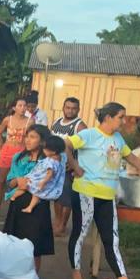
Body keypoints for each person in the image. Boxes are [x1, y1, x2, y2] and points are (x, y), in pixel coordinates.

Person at [66, 102, 140, 279]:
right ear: (108, 118)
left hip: (107, 196)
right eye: (121, 117)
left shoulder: (118, 138)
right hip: (86, 192)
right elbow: (66, 145)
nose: (124, 121)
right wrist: (75, 166)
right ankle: (76, 275)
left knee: (111, 240)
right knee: (80, 233)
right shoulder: (89, 135)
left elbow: (132, 159)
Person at [2, 125, 55, 272]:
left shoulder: (48, 162)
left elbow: (49, 185)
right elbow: (9, 182)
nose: (28, 140)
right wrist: (17, 181)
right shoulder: (18, 158)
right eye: (27, 136)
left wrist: (29, 184)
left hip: (38, 208)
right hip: (17, 207)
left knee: (35, 249)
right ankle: (14, 278)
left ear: (43, 141)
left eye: (33, 137)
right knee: (14, 245)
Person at [51, 97, 87, 236]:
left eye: (73, 108)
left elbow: (85, 148)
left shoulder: (80, 126)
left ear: (78, 109)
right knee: (56, 196)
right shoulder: (56, 122)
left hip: (69, 168)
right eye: (68, 107)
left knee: (67, 198)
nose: (70, 110)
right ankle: (57, 222)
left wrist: (75, 166)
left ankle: (63, 225)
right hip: (55, 166)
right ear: (63, 107)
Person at [0, 98, 33, 218]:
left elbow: (33, 137)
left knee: (20, 182)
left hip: (22, 154)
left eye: (25, 105)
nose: (23, 108)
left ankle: (16, 209)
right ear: (14, 107)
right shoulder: (7, 119)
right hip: (7, 152)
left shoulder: (30, 122)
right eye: (20, 105)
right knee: (1, 181)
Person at [10, 135, 67, 214]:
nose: (43, 150)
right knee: (36, 194)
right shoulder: (61, 158)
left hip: (41, 181)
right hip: (43, 182)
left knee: (26, 186)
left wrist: (43, 182)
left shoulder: (51, 161)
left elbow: (50, 174)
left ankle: (14, 197)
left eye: (45, 149)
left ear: (53, 152)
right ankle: (29, 206)